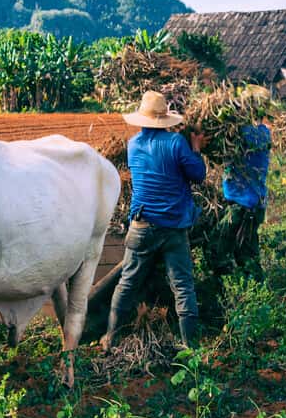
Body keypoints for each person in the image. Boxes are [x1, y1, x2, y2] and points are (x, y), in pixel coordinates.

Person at [101, 90, 208, 351]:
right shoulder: (176, 143)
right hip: (173, 228)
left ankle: (111, 338)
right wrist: (195, 149)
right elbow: (198, 175)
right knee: (182, 285)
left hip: (142, 225)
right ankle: (191, 347)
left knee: (127, 282)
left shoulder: (133, 145)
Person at [210, 116, 271, 281]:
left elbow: (214, 145)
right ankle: (248, 292)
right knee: (244, 252)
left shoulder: (244, 134)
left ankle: (238, 293)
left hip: (244, 206)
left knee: (221, 248)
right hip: (248, 203)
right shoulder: (262, 132)